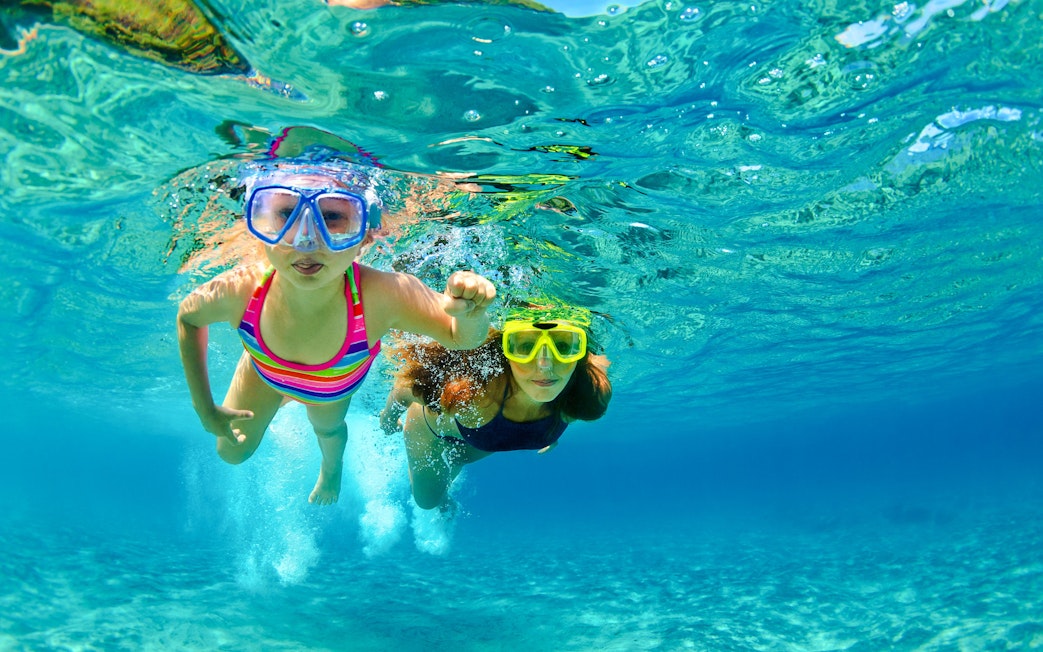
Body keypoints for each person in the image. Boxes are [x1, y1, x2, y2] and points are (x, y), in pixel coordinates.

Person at [176, 158, 496, 505]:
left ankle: (332, 471)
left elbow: (461, 337)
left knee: (326, 429)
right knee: (231, 452)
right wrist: (204, 408)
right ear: (260, 223)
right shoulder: (241, 291)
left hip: (330, 387)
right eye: (286, 214)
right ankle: (276, 385)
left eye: (332, 217)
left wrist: (471, 314)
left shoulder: (381, 296)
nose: (306, 241)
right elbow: (188, 318)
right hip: (264, 372)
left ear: (365, 235)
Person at [380, 303, 611, 511]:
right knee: (428, 502)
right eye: (525, 346)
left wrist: (552, 432)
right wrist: (389, 418)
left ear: (579, 354)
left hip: (481, 438)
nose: (545, 365)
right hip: (432, 433)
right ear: (505, 351)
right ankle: (443, 502)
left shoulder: (587, 391)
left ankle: (451, 474)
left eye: (562, 345)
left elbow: (570, 403)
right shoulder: (474, 393)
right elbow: (406, 388)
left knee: (457, 460)